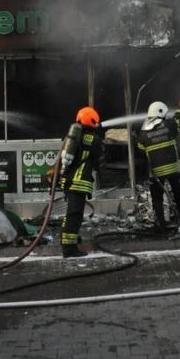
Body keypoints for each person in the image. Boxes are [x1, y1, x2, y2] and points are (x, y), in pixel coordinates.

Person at [136, 95, 180, 230]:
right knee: (178, 194)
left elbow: (140, 151)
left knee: (157, 199)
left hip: (155, 173)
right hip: (173, 169)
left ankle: (161, 223)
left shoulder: (143, 133)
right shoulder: (170, 125)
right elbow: (179, 118)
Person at [59, 106, 104, 258]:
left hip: (69, 180)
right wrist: (99, 132)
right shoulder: (94, 139)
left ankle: (68, 242)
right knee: (74, 215)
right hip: (80, 182)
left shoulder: (73, 136)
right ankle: (69, 249)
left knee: (71, 214)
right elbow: (100, 153)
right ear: (93, 121)